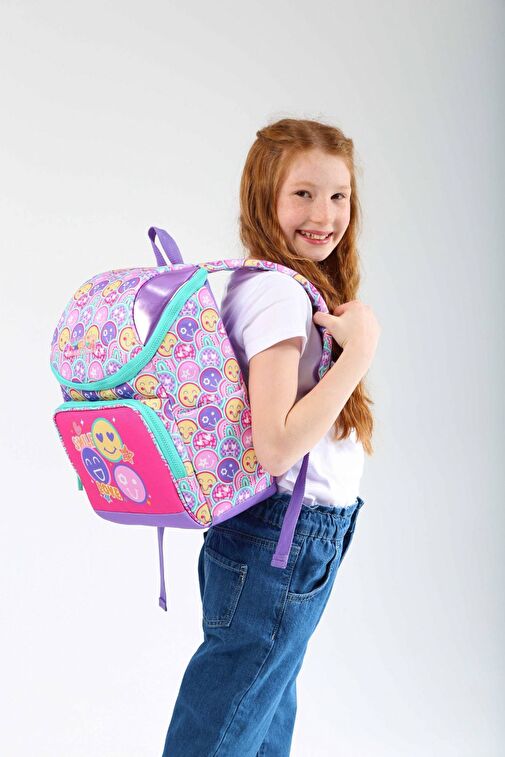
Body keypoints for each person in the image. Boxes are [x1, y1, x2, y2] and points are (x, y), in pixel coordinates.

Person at [161, 117, 381, 757]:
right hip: (283, 536)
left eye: (338, 195)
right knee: (224, 734)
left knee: (255, 728)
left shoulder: (275, 285)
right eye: (303, 194)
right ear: (264, 198)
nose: (324, 214)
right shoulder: (280, 295)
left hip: (279, 534)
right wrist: (358, 355)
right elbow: (278, 445)